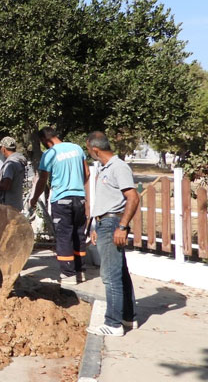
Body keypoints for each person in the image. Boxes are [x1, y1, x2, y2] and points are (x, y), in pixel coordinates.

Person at [85, 131, 138, 336]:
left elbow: (133, 197)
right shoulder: (105, 168)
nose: (89, 153)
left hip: (112, 224)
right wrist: (95, 226)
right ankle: (127, 316)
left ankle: (113, 324)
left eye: (89, 149)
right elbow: (105, 200)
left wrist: (122, 227)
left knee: (110, 276)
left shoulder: (118, 167)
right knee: (120, 272)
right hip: (104, 223)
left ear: (95, 149)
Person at [28, 126, 90, 284]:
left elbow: (43, 180)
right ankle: (80, 272)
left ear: (44, 140)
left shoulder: (49, 154)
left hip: (61, 200)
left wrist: (34, 199)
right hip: (79, 198)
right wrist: (77, 186)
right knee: (79, 235)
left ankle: (68, 275)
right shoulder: (76, 148)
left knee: (64, 236)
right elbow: (87, 173)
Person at [0, 136, 28, 211]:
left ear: (3, 149)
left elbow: (6, 186)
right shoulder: (19, 161)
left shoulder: (10, 164)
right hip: (17, 203)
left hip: (9, 206)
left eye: (0, 149)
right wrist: (0, 181)